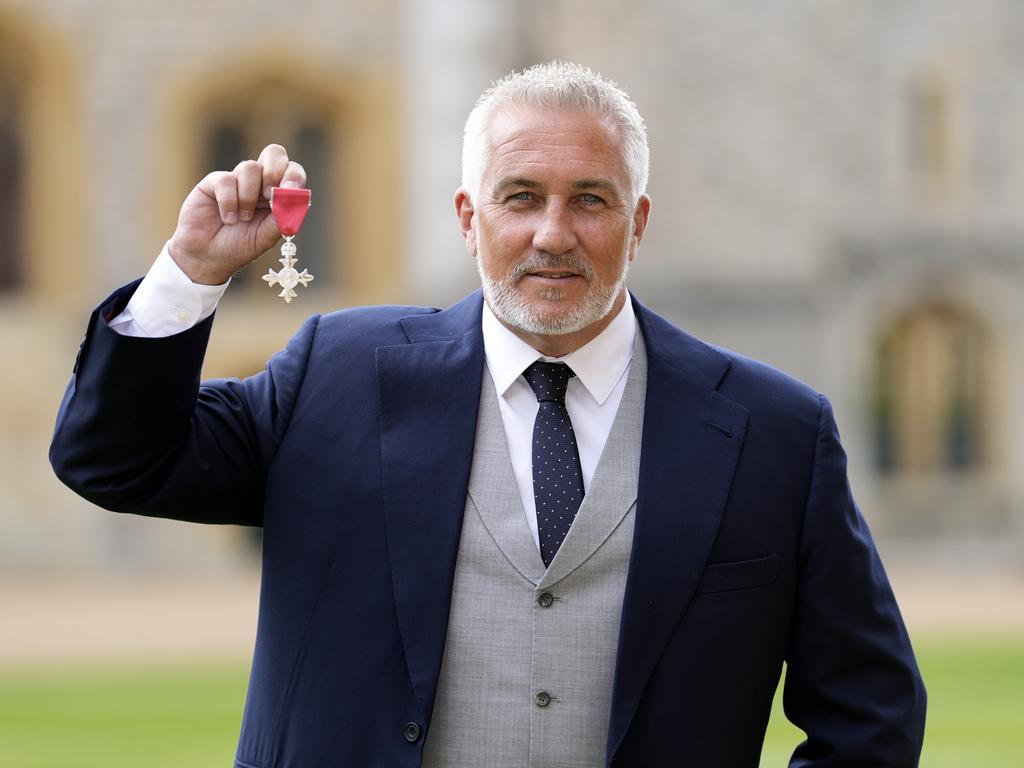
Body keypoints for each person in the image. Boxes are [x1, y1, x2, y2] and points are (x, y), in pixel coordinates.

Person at [50, 61, 926, 767]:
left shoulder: (775, 430)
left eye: (591, 198)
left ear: (639, 221)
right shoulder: (337, 375)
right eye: (520, 197)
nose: (553, 232)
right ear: (470, 219)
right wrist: (190, 273)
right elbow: (117, 459)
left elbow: (871, 713)